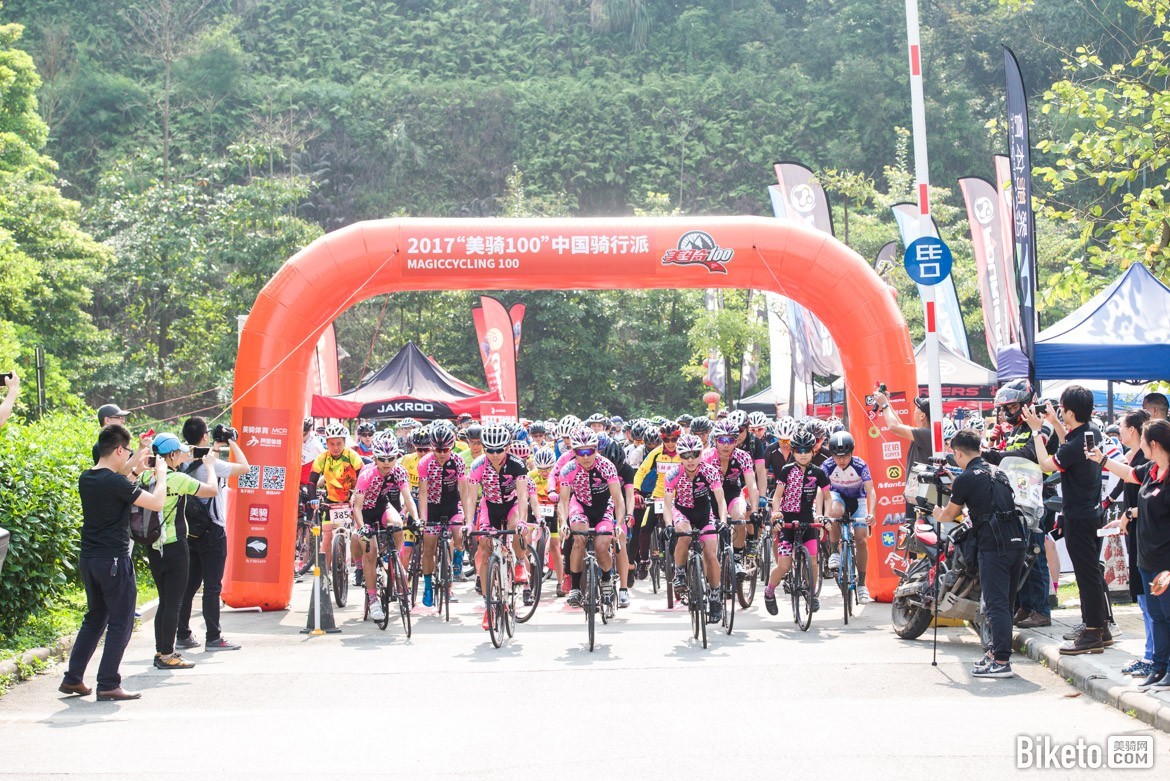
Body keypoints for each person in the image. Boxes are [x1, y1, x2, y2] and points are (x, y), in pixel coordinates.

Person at [59, 424, 167, 701]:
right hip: (114, 561)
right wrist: (162, 475)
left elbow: (119, 483)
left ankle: (73, 678)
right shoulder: (116, 483)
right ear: (119, 450)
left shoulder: (88, 477)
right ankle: (108, 683)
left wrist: (136, 465)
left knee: (95, 617)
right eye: (127, 451)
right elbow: (156, 502)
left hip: (90, 560)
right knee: (121, 621)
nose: (128, 456)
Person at [934, 430, 1027, 678]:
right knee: (1005, 604)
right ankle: (996, 652)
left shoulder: (966, 479)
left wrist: (937, 513)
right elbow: (988, 498)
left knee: (996, 605)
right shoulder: (998, 472)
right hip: (1017, 542)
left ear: (958, 453)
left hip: (994, 545)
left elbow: (950, 514)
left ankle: (1002, 661)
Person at [1026, 385, 1109, 654]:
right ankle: (1101, 627)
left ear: (1071, 412)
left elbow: (1045, 464)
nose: (1059, 411)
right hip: (1092, 513)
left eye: (1061, 408)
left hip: (1079, 516)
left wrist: (1037, 431)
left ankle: (1093, 633)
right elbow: (1069, 445)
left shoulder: (1077, 442)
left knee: (1086, 576)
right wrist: (1055, 423)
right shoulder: (1091, 432)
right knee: (1091, 572)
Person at [1093, 419, 1170, 688]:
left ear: (1154, 444)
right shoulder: (1151, 470)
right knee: (1156, 615)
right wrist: (1102, 460)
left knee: (1167, 615)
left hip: (1165, 563)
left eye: (1144, 442)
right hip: (1147, 559)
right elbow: (1128, 474)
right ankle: (1158, 667)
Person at [142, 433, 219, 670]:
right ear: (172, 454)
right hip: (175, 545)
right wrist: (210, 467)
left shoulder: (146, 476)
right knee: (174, 603)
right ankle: (168, 655)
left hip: (153, 544)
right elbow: (212, 490)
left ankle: (161, 652)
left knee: (164, 601)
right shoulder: (177, 479)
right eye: (179, 453)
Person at [175, 416, 252, 652]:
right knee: (212, 586)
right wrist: (232, 441)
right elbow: (245, 467)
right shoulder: (213, 465)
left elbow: (205, 460)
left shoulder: (182, 462)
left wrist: (215, 446)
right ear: (205, 436)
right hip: (213, 530)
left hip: (190, 530)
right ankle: (213, 637)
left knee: (189, 586)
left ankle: (183, 634)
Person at [468, 424, 530, 629]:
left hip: (512, 505)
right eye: (490, 450)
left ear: (508, 447)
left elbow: (523, 496)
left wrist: (522, 521)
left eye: (499, 450)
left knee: (516, 526)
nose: (494, 455)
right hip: (490, 506)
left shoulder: (517, 464)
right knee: (485, 551)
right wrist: (468, 523)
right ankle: (489, 606)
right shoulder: (478, 465)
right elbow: (471, 498)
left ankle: (519, 562)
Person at [557, 427, 626, 608]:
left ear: (596, 449)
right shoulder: (568, 468)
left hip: (603, 507)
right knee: (578, 539)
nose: (586, 456)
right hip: (580, 505)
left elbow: (618, 499)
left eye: (590, 451)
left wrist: (619, 524)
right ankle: (575, 587)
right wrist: (563, 523)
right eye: (581, 452)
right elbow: (563, 501)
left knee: (601, 545)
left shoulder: (607, 466)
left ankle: (606, 578)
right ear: (574, 452)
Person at [764, 427, 829, 616]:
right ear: (793, 452)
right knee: (784, 565)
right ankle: (769, 592)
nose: (803, 454)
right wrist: (776, 514)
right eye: (799, 451)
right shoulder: (787, 470)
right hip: (787, 520)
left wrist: (825, 516)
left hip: (807, 519)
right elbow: (777, 496)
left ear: (813, 451)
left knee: (814, 561)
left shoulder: (818, 472)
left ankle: (811, 592)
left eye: (806, 450)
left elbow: (828, 497)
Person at [665, 433, 728, 622]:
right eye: (686, 456)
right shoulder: (673, 474)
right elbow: (667, 505)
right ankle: (680, 572)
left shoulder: (710, 471)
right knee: (683, 533)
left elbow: (721, 500)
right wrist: (668, 525)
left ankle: (715, 596)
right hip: (682, 511)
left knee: (711, 554)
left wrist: (723, 521)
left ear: (701, 454)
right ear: (680, 457)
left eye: (695, 454)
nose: (691, 460)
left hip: (704, 513)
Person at [823, 431, 877, 603]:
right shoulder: (827, 465)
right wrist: (823, 515)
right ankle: (834, 551)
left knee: (861, 540)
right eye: (837, 457)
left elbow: (871, 491)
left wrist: (872, 513)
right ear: (832, 455)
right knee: (835, 512)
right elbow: (821, 491)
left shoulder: (860, 465)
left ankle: (861, 584)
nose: (842, 460)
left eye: (846, 456)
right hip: (838, 497)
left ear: (852, 452)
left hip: (857, 500)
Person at [871, 390, 932, 474]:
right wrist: (887, 402)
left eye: (918, 407)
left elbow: (894, 426)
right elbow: (899, 425)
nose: (915, 409)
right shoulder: (926, 434)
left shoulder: (926, 434)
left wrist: (884, 404)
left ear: (922, 416)